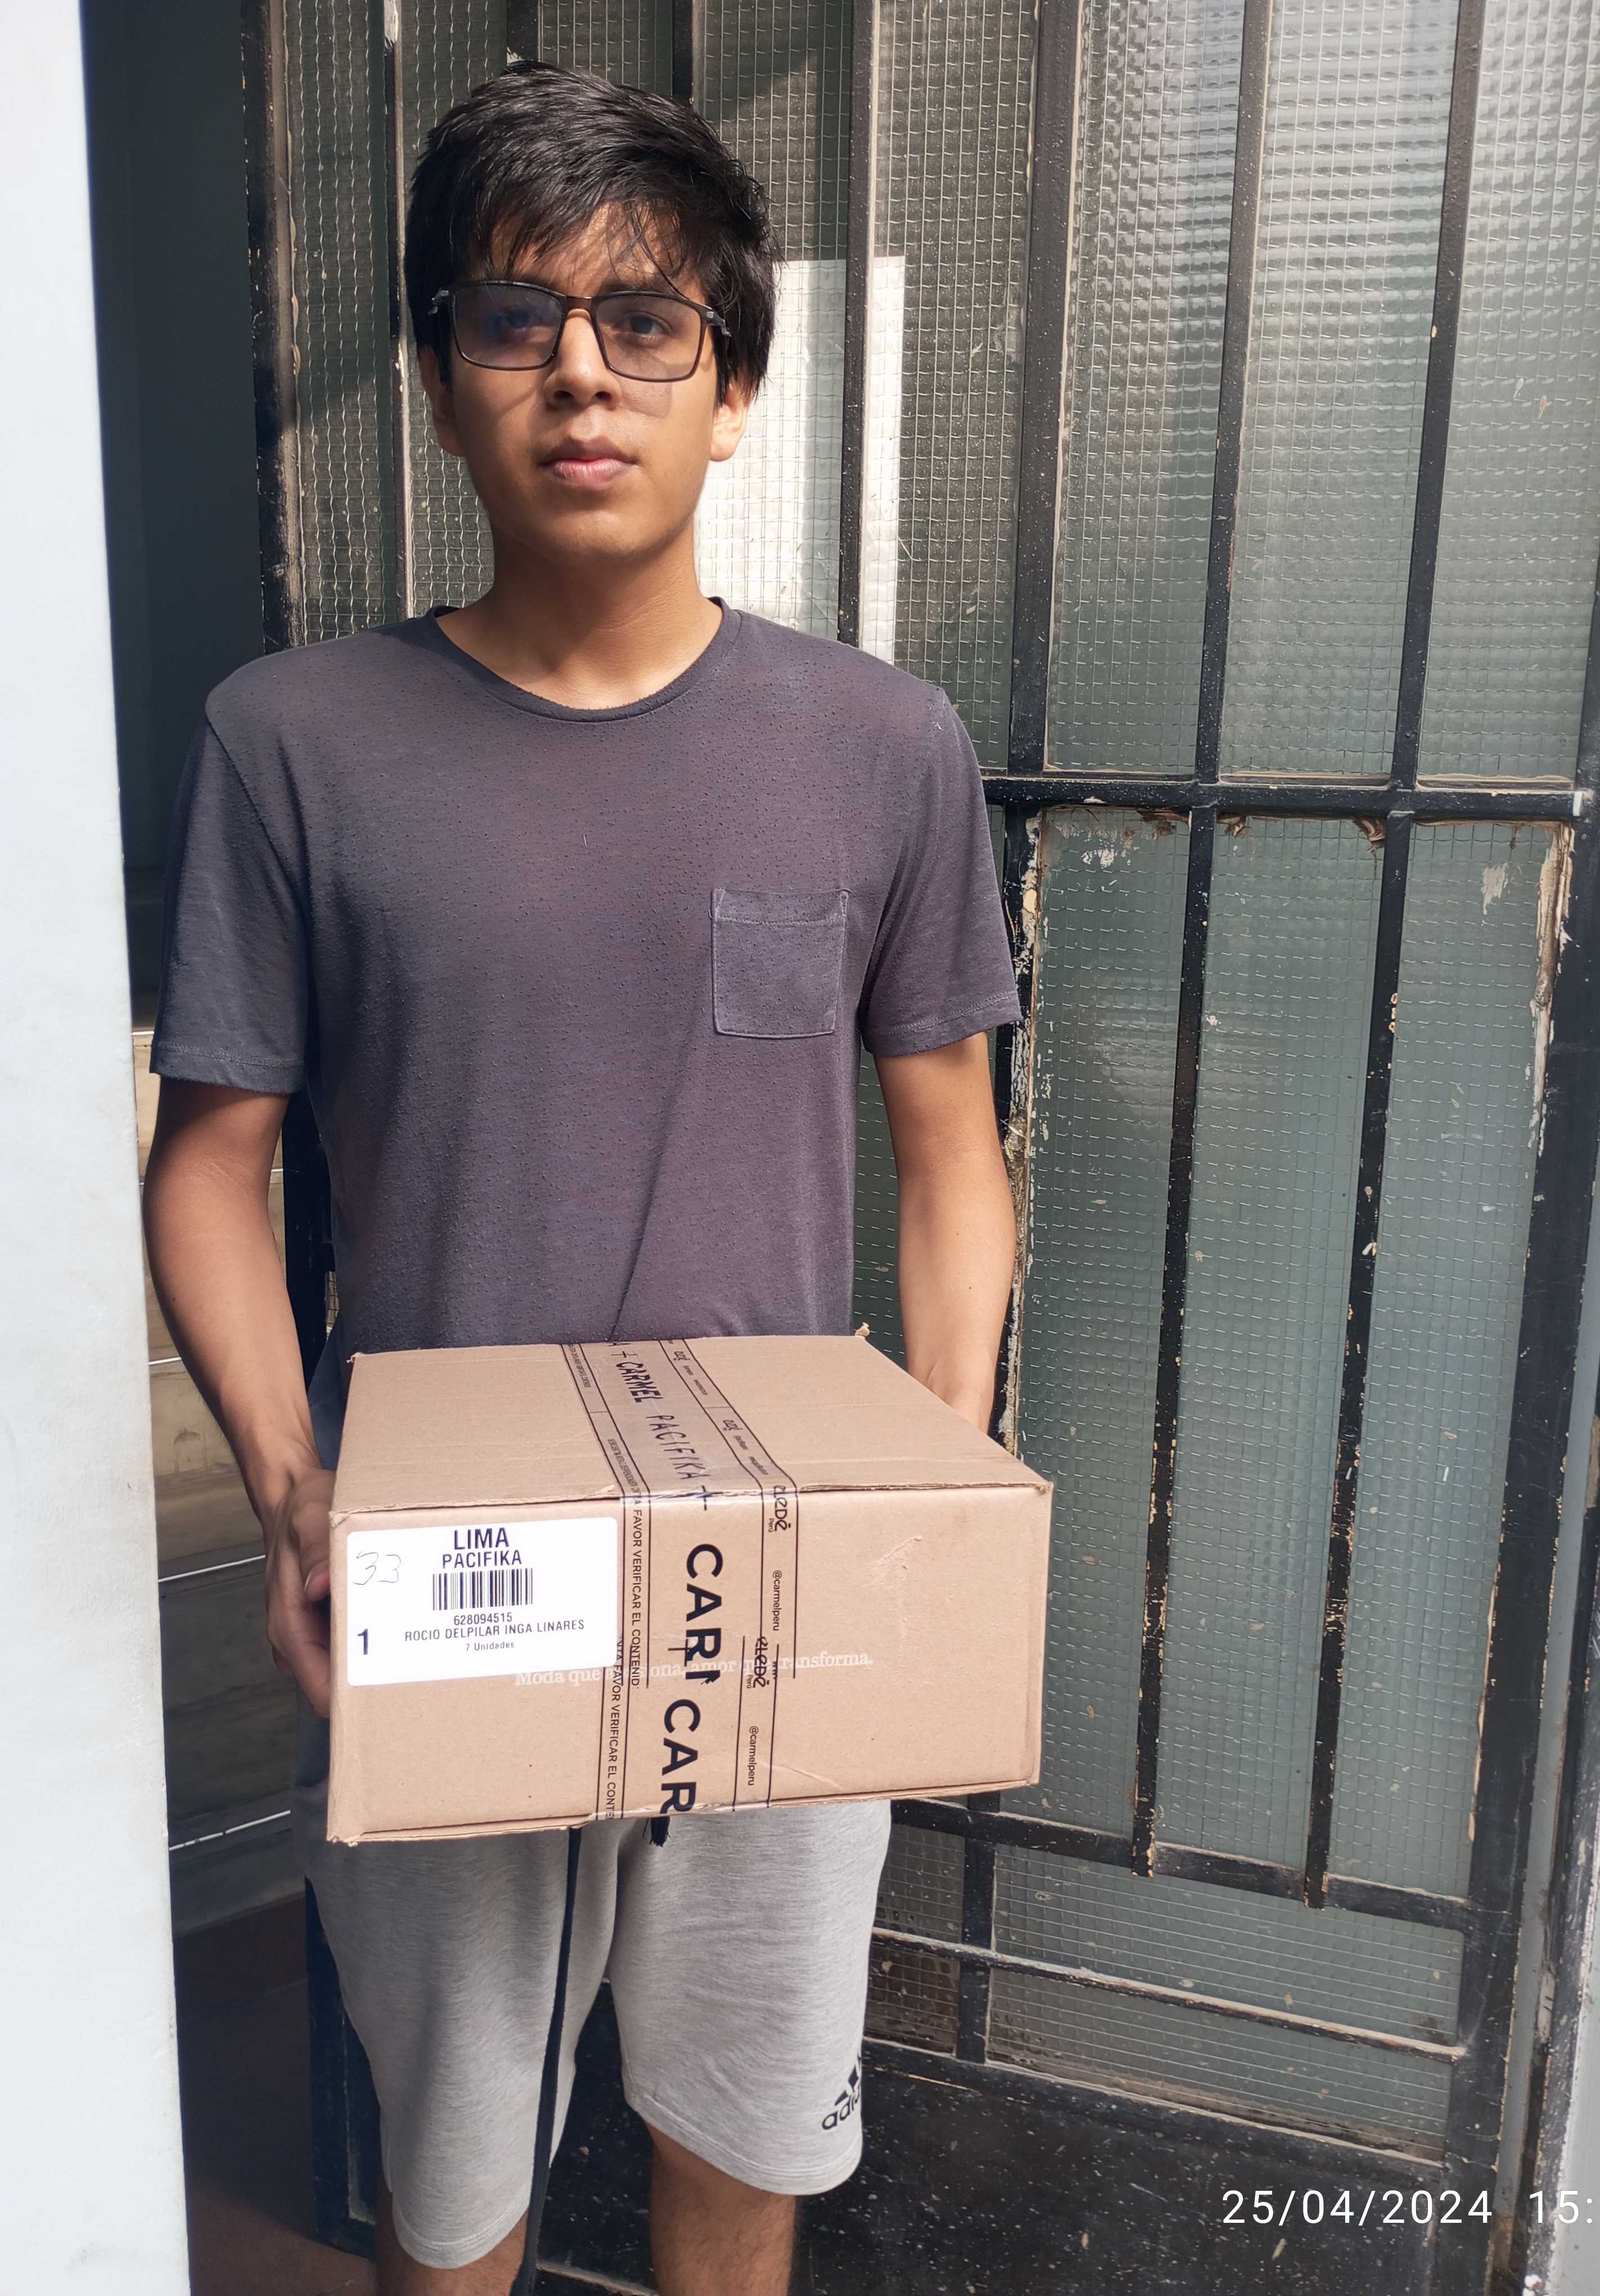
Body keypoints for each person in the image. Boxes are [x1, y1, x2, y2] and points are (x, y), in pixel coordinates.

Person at [143, 61, 1019, 2296]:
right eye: (515, 319)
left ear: (735, 393)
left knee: (745, 2136)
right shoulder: (294, 744)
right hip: (455, 1578)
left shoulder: (881, 749)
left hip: (777, 1577)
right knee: (452, 2189)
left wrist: (925, 1498)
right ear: (440, 384)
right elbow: (213, 1163)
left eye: (647, 323)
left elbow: (952, 1156)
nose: (582, 376)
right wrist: (297, 1492)